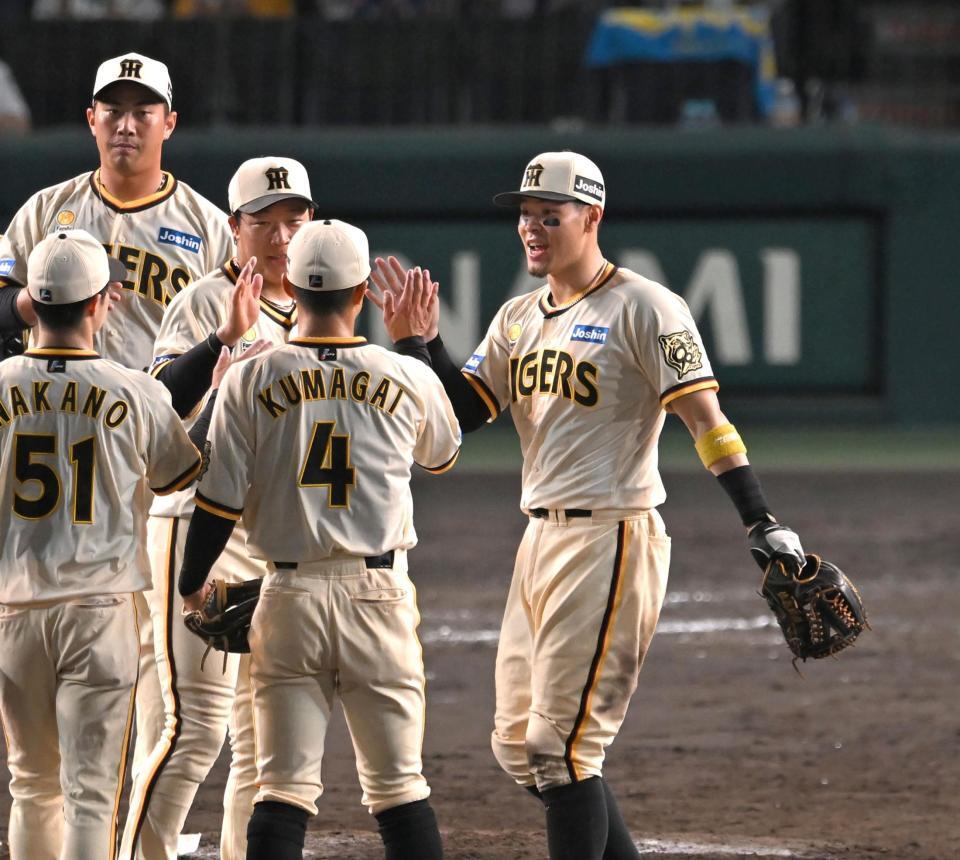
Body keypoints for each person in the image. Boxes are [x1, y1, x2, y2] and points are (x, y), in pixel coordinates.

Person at [368, 150, 808, 860]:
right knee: (519, 745)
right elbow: (464, 411)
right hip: (539, 542)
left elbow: (707, 420)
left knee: (562, 750)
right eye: (524, 215)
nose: (531, 228)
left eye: (550, 215)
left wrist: (760, 518)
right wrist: (420, 344)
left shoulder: (647, 306)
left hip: (613, 536)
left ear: (591, 217)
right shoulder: (518, 317)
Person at [177, 219, 461, 860]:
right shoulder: (403, 372)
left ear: (293, 288)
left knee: (279, 789)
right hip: (378, 597)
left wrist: (192, 585)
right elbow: (441, 454)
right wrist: (413, 346)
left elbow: (217, 503)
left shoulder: (249, 377)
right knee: (400, 790)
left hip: (287, 597)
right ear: (362, 294)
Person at [121, 156, 315, 860]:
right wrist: (220, 348)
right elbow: (161, 405)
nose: (281, 236)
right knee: (194, 728)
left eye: (294, 220)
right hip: (197, 523)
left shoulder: (318, 306)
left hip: (274, 533)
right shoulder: (206, 301)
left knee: (263, 739)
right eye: (264, 222)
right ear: (234, 228)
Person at [0, 229, 201, 859]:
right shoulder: (134, 389)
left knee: (31, 785)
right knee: (89, 792)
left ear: (34, 301)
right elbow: (177, 477)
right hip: (99, 609)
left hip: (12, 609)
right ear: (96, 304)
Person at [0, 51, 233, 373]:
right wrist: (51, 294)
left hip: (167, 403)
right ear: (92, 120)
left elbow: (238, 334)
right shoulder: (44, 209)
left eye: (142, 113)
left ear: (169, 124)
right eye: (112, 111)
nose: (126, 126)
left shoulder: (211, 227)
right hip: (58, 399)